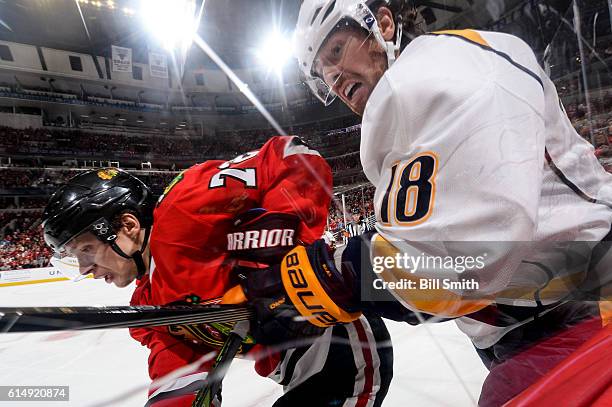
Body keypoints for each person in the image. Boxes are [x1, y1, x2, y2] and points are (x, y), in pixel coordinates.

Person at [229, 1, 612, 406]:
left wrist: (337, 274)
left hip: (586, 306)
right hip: (530, 325)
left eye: (336, 51)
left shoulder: (443, 64)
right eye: (323, 73)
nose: (333, 76)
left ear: (384, 24)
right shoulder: (409, 107)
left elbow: (472, 251)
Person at [42, 136, 393, 407]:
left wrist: (270, 257)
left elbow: (291, 155)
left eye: (86, 250)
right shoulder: (151, 308)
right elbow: (178, 372)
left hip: (342, 350)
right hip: (300, 373)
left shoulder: (181, 209)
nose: (86, 269)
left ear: (128, 225)